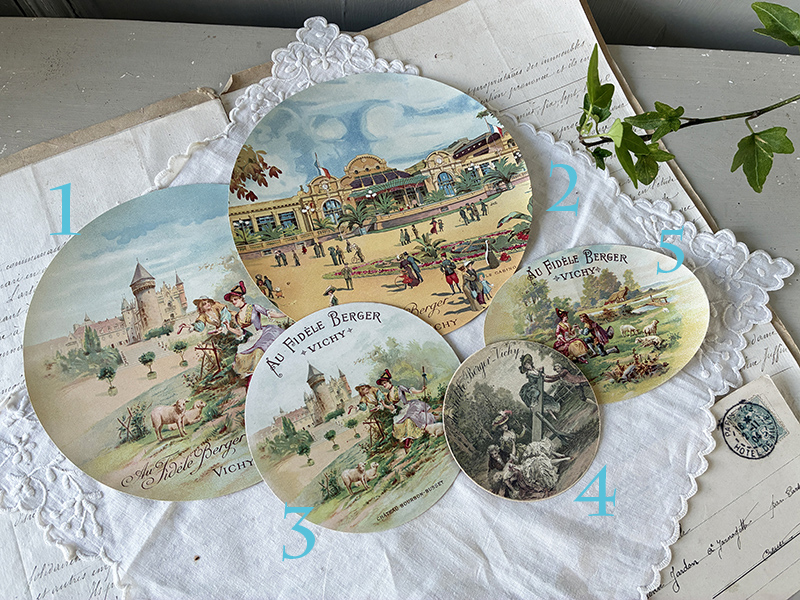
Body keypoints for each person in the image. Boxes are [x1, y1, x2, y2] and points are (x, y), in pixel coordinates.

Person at [222, 281, 287, 376]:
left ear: (241, 298)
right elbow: (241, 332)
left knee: (259, 351)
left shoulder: (253, 307)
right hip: (252, 339)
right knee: (240, 356)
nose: (234, 302)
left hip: (262, 333)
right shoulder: (237, 316)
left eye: (235, 299)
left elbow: (269, 313)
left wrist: (284, 314)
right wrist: (229, 328)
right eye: (232, 301)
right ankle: (258, 374)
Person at [375, 369, 435, 451]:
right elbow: (393, 407)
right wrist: (384, 405)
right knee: (397, 424)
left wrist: (421, 390)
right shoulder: (388, 396)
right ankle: (408, 440)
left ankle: (410, 441)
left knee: (409, 419)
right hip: (402, 411)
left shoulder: (399, 388)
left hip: (408, 406)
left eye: (385, 383)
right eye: (382, 384)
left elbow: (410, 390)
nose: (384, 385)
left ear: (389, 382)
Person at [518, 353, 562, 421]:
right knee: (536, 393)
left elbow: (539, 374)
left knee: (546, 400)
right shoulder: (529, 373)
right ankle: (533, 404)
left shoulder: (534, 370)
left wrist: (540, 371)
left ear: (530, 363)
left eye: (528, 364)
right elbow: (538, 377)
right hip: (532, 386)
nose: (528, 366)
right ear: (525, 368)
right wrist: (541, 373)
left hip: (538, 386)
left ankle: (554, 417)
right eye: (526, 366)